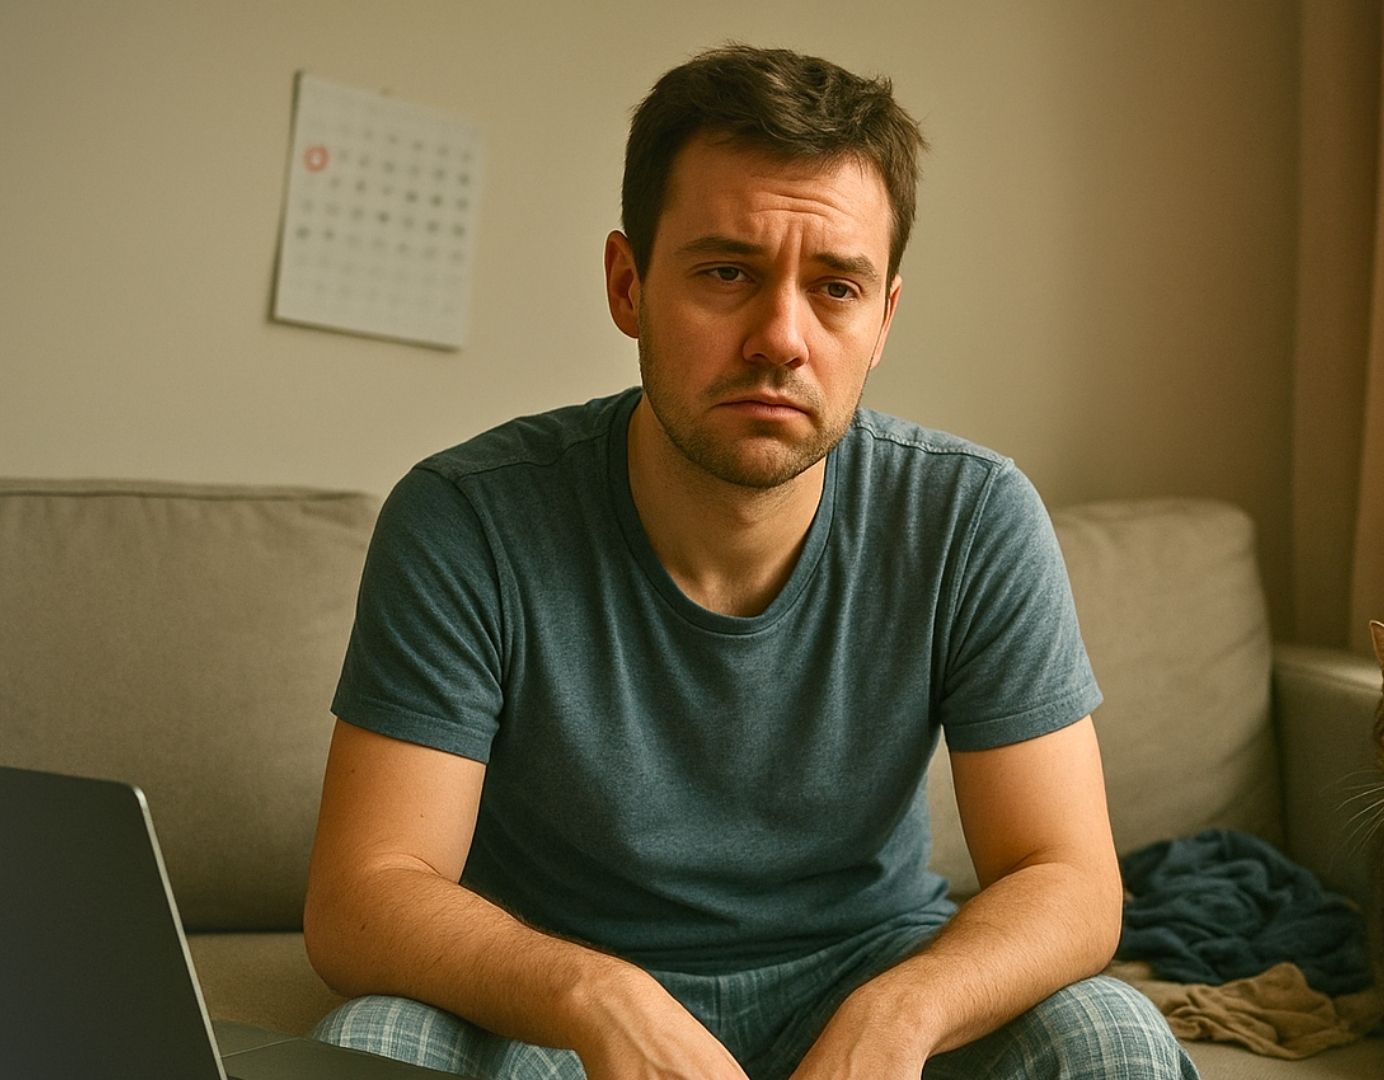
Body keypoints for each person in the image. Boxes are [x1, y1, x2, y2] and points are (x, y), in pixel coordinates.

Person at [301, 44, 1197, 1080]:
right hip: (556, 1014)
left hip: (865, 978)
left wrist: (900, 1016)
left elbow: (1070, 878)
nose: (781, 335)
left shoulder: (971, 515)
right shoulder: (466, 519)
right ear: (628, 284)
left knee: (1112, 1041)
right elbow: (363, 894)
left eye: (836, 287)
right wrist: (598, 997)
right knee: (370, 1052)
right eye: (727, 272)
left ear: (883, 320)